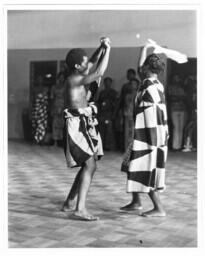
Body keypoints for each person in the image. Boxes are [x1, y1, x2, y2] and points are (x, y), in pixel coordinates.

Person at [61, 37, 111, 221]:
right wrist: (109, 49)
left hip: (82, 122)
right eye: (84, 63)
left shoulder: (77, 73)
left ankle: (69, 203)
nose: (87, 64)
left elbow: (91, 63)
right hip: (75, 125)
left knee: (87, 165)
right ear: (77, 67)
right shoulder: (75, 79)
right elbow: (98, 71)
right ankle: (79, 209)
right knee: (90, 165)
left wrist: (101, 48)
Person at [120, 41, 169, 217]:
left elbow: (152, 118)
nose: (139, 69)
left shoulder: (150, 87)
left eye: (143, 67)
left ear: (148, 68)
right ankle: (136, 201)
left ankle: (159, 208)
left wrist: (147, 143)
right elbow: (139, 66)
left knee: (144, 167)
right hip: (145, 135)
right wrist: (144, 48)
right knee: (129, 165)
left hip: (149, 138)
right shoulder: (152, 83)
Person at [117, 69, 140, 151]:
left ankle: (134, 149)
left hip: (136, 114)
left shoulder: (139, 94)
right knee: (127, 132)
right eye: (131, 84)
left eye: (134, 84)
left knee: (135, 132)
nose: (133, 85)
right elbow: (123, 102)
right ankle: (128, 148)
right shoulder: (127, 94)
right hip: (128, 114)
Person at [167, 74, 188, 151]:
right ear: (172, 79)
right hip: (174, 109)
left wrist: (177, 98)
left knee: (181, 128)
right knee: (176, 127)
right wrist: (179, 98)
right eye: (175, 78)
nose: (177, 79)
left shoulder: (182, 87)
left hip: (182, 109)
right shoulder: (170, 87)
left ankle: (179, 146)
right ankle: (175, 146)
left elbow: (185, 97)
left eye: (178, 78)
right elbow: (171, 97)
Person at [98, 77, 117, 150]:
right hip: (102, 114)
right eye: (106, 82)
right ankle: (102, 146)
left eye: (108, 82)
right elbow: (99, 104)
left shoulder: (114, 92)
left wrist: (114, 114)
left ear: (111, 83)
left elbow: (116, 104)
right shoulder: (102, 93)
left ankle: (109, 146)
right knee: (102, 130)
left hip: (109, 113)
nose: (107, 84)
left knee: (110, 131)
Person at [31, 75, 49, 144]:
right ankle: (36, 139)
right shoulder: (34, 89)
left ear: (43, 80)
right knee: (36, 123)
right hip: (36, 108)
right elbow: (32, 100)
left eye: (41, 79)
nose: (39, 81)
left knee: (42, 124)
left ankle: (41, 139)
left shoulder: (46, 88)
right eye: (38, 79)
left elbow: (47, 100)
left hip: (43, 109)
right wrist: (31, 109)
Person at [50, 72, 66, 146]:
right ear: (58, 78)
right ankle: (55, 141)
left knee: (62, 123)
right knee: (55, 123)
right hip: (56, 105)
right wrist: (52, 107)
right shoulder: (54, 87)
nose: (61, 79)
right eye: (60, 77)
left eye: (62, 77)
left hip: (63, 105)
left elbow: (67, 98)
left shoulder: (66, 87)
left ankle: (62, 141)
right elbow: (52, 98)